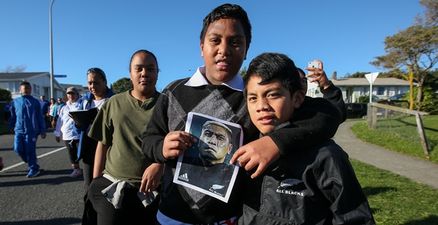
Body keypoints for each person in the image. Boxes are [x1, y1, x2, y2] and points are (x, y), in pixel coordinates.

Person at [141, 3, 343, 224]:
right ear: (201, 46)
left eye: (235, 42)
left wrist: (275, 142)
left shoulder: (255, 96)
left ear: (246, 50)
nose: (224, 50)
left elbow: (326, 114)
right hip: (174, 215)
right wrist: (161, 148)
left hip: (230, 217)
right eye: (215, 40)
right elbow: (149, 139)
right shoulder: (174, 91)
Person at [238, 52, 375, 225]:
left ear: (296, 98)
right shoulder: (244, 145)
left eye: (273, 95)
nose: (262, 106)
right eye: (252, 98)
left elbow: (355, 218)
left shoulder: (326, 157)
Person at [87, 49, 162, 225]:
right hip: (113, 183)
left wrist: (161, 165)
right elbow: (103, 143)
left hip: (153, 191)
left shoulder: (167, 105)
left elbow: (175, 148)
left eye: (151, 69)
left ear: (157, 73)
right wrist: (95, 182)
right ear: (130, 73)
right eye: (139, 68)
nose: (145, 73)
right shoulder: (113, 103)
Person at [78, 67, 114, 191]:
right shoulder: (84, 101)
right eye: (89, 83)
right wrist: (78, 122)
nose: (92, 86)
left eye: (96, 82)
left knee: (107, 183)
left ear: (105, 82)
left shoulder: (114, 100)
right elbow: (79, 126)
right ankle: (90, 208)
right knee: (88, 185)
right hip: (88, 145)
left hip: (108, 147)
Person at [177, 120, 235, 197]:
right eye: (208, 134)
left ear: (229, 149)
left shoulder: (231, 176)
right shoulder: (182, 163)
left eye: (220, 138)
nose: (212, 141)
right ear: (199, 138)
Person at [9, 81, 46, 178]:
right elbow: (13, 116)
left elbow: (40, 117)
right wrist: (11, 126)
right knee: (17, 149)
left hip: (31, 131)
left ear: (31, 90)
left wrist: (42, 130)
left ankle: (33, 169)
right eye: (25, 88)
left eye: (28, 88)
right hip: (18, 130)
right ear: (20, 90)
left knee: (30, 150)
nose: (27, 90)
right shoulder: (15, 102)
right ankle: (32, 163)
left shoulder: (35, 102)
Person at [54, 87, 83, 178]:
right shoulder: (64, 108)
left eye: (73, 93)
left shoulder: (82, 104)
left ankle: (89, 170)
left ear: (77, 94)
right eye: (69, 94)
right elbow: (60, 121)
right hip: (67, 135)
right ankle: (76, 170)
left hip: (79, 134)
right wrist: (57, 133)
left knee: (84, 153)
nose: (71, 95)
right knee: (72, 153)